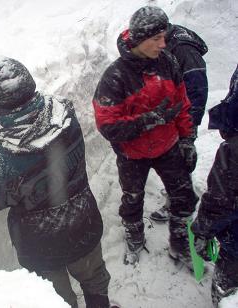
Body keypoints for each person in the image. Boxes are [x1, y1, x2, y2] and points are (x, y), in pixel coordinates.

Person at [0, 57, 113, 308]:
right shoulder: (64, 112)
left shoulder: (0, 157)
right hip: (83, 223)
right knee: (94, 280)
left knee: (58, 300)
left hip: (41, 245)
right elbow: (26, 114)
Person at [92, 6, 198, 266]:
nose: (164, 44)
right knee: (132, 199)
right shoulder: (115, 77)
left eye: (165, 36)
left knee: (184, 196)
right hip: (132, 155)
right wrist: (147, 121)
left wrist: (187, 138)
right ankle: (134, 235)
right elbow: (107, 125)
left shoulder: (168, 63)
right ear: (139, 39)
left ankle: (180, 242)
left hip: (169, 145)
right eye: (156, 39)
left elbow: (182, 104)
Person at [150, 21, 208, 222]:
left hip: (183, 119)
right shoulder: (165, 41)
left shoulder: (184, 50)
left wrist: (188, 133)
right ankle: (180, 199)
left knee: (180, 161)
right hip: (171, 115)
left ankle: (180, 206)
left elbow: (197, 92)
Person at [191, 65, 238, 307]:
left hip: (236, 249)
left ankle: (223, 295)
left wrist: (202, 231)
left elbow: (221, 199)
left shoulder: (234, 151)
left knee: (227, 284)